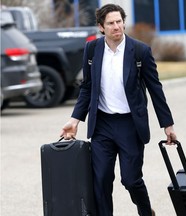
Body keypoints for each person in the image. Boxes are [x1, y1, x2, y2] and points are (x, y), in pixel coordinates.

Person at [60, 4, 177, 216]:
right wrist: (75, 120)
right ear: (101, 27)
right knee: (101, 179)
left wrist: (167, 124)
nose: (116, 27)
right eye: (111, 23)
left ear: (123, 22)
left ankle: (145, 211)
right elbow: (87, 87)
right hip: (102, 124)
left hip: (130, 125)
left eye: (119, 21)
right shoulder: (92, 50)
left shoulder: (140, 51)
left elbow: (155, 89)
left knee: (131, 179)